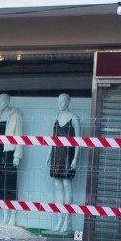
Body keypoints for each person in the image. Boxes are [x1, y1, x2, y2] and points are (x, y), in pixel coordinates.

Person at [45, 93, 80, 233]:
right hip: (56, 155)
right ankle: (59, 220)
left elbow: (78, 141)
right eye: (58, 101)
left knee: (67, 185)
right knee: (57, 186)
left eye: (62, 101)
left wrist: (75, 158)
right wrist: (48, 155)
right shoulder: (55, 118)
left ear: (68, 102)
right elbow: (52, 139)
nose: (60, 104)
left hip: (68, 155)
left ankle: (68, 220)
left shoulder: (74, 119)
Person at [0, 93, 23, 225]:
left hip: (10, 152)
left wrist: (17, 155)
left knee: (10, 184)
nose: (0, 103)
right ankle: (5, 215)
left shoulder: (15, 116)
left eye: (2, 101)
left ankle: (13, 216)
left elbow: (19, 135)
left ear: (8, 101)